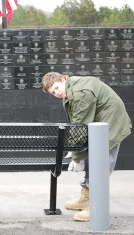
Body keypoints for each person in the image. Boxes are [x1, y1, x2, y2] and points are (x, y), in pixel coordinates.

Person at [42, 72, 131, 222]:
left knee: (101, 164)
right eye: (53, 92)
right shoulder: (72, 88)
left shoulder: (80, 93)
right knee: (93, 160)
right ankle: (86, 199)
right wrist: (74, 150)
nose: (57, 93)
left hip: (111, 124)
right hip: (100, 124)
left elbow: (79, 126)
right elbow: (78, 121)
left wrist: (77, 158)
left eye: (57, 87)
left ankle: (96, 207)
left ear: (63, 79)